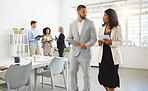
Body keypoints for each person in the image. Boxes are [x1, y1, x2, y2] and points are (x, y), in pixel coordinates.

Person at [68, 5, 97, 91]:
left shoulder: (90, 23)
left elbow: (94, 39)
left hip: (85, 53)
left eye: (86, 12)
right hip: (74, 53)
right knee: (72, 72)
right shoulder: (72, 24)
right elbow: (70, 36)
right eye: (83, 12)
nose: (85, 14)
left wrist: (86, 45)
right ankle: (74, 89)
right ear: (78, 12)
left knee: (86, 75)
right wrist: (69, 39)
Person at [98, 8, 123, 91]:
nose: (103, 17)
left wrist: (111, 43)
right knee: (103, 79)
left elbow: (120, 42)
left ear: (110, 17)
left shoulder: (118, 28)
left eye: (105, 15)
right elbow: (100, 40)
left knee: (112, 80)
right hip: (103, 56)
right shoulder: (102, 28)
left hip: (112, 57)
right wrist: (99, 42)